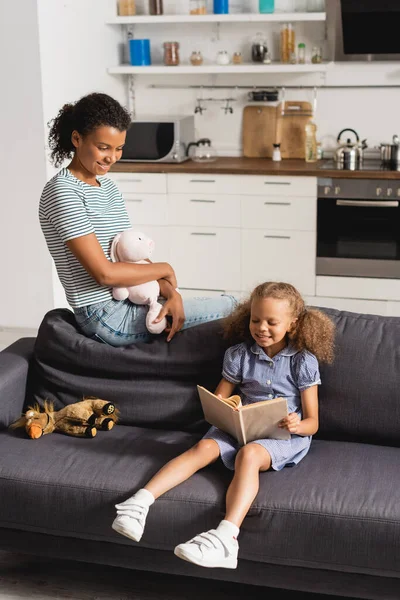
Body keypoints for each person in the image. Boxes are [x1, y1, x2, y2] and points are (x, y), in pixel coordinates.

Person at [111, 281, 335, 569]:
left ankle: (226, 539)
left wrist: (296, 424)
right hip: (239, 425)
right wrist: (227, 406)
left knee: (249, 454)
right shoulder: (239, 354)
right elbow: (219, 398)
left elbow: (313, 423)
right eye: (256, 319)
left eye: (271, 322)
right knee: (203, 446)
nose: (261, 328)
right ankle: (138, 504)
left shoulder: (302, 362)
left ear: (292, 324)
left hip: (283, 436)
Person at [39, 92, 236, 345]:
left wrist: (170, 292)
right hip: (104, 316)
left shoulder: (108, 188)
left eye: (119, 148)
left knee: (233, 305)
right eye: (103, 148)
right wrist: (165, 269)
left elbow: (134, 258)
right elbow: (105, 275)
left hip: (135, 297)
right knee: (233, 306)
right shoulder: (63, 192)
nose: (112, 157)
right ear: (77, 138)